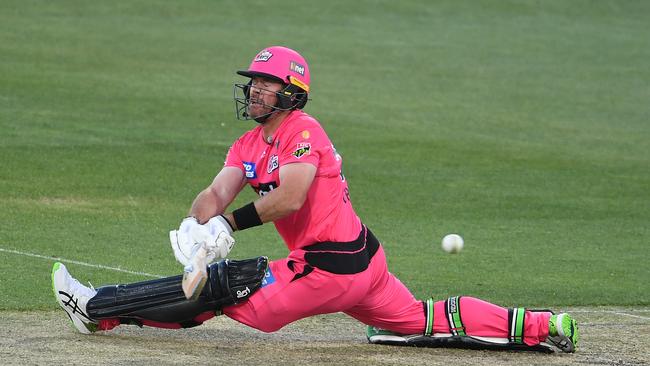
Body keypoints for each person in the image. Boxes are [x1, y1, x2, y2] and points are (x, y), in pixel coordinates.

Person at [52, 46, 579, 353]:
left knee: (230, 288)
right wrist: (196, 223)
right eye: (252, 84)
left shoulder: (304, 131)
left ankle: (96, 309)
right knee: (421, 318)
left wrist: (229, 227)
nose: (254, 92)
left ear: (291, 93)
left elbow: (292, 197)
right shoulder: (248, 144)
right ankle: (542, 326)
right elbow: (216, 191)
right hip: (363, 267)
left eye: (265, 85)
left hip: (332, 266)